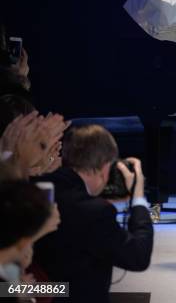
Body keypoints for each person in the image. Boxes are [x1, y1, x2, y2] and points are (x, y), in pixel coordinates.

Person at [33, 124, 153, 303]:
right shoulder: (96, 212)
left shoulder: (37, 187)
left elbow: (10, 287)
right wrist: (138, 198)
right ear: (105, 167)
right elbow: (138, 257)